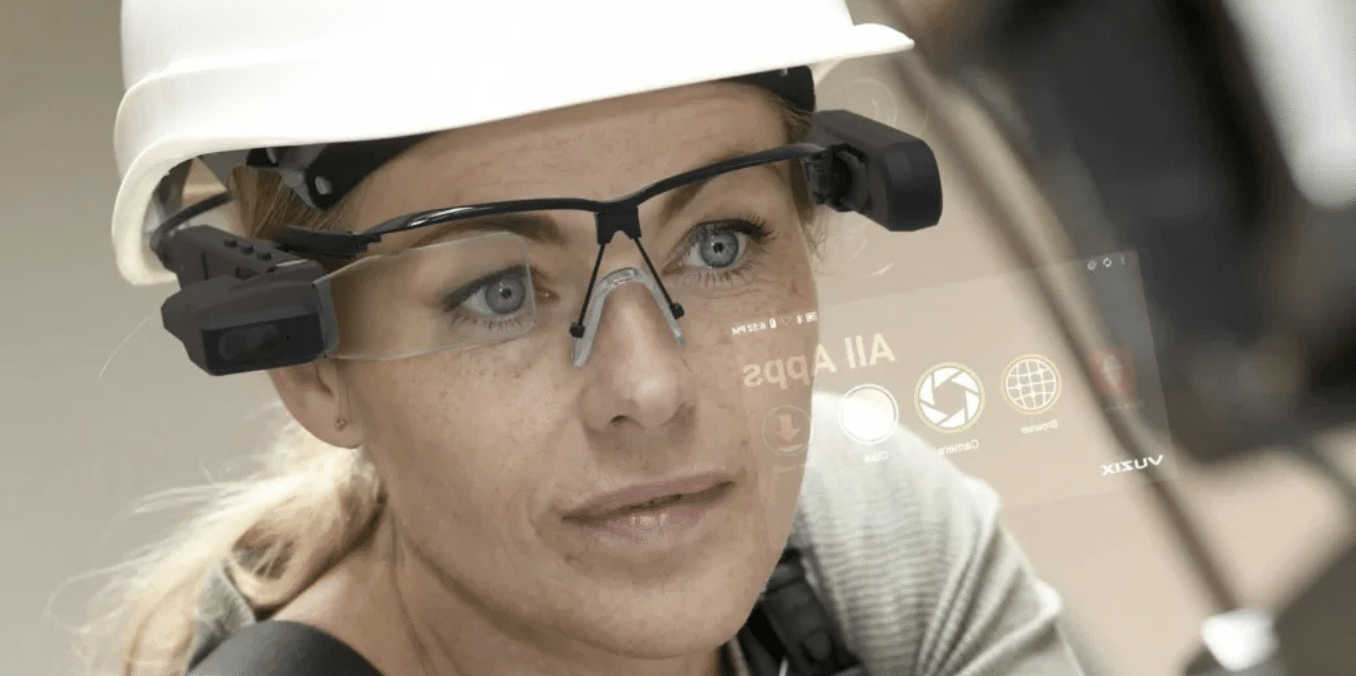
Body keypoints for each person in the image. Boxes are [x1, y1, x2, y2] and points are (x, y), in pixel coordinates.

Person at [82, 1, 1088, 675]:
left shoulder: (864, 536)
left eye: (719, 241)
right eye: (501, 291)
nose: (650, 389)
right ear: (310, 367)